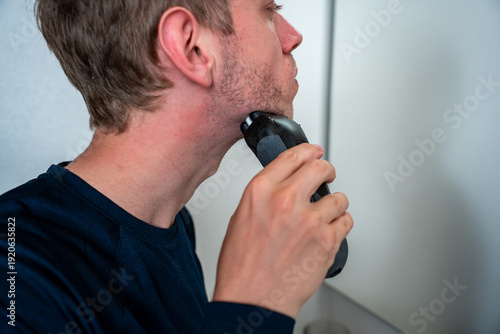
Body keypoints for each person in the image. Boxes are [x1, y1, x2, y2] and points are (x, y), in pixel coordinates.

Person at [0, 0, 353, 333]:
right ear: (190, 48)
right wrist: (251, 304)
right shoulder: (15, 275)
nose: (293, 36)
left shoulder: (175, 223)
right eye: (268, 9)